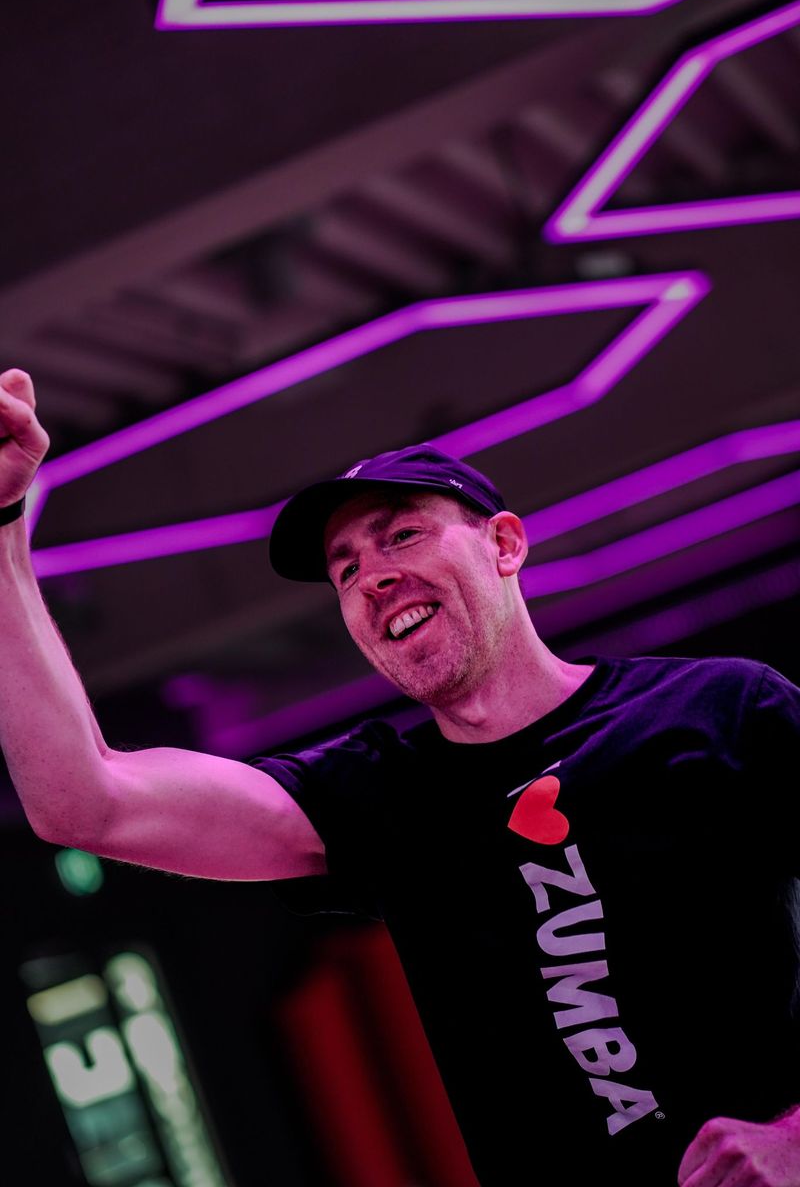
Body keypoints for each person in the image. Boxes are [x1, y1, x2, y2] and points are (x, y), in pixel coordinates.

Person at [1, 364, 798, 1187]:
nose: (373, 577)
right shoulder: (379, 797)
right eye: (345, 570)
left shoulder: (719, 709)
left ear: (504, 544)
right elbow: (85, 803)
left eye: (402, 536)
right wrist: (2, 527)